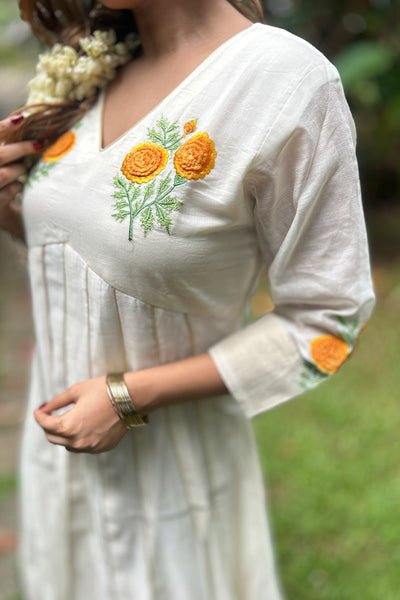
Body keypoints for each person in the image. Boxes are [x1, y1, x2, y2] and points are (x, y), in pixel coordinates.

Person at [0, 0, 375, 598]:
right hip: (55, 459)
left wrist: (126, 397)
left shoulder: (285, 84)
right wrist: (12, 209)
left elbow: (328, 321)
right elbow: (87, 255)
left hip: (173, 475)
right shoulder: (99, 60)